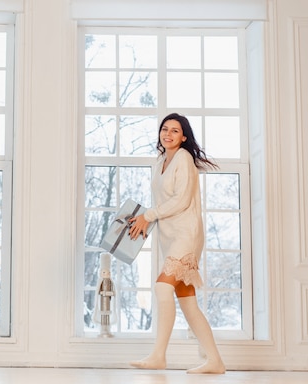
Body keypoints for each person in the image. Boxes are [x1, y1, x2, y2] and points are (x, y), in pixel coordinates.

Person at [127, 113, 226, 374]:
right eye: (164, 129)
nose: (168, 134)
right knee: (188, 302)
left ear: (183, 137)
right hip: (170, 236)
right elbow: (164, 203)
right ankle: (215, 361)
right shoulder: (161, 160)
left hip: (186, 235)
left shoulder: (183, 158)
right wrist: (146, 222)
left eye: (174, 130)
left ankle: (159, 355)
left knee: (162, 288)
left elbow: (181, 201)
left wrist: (148, 216)